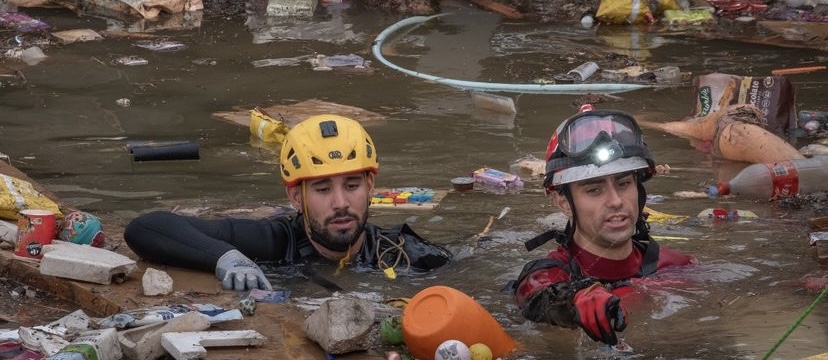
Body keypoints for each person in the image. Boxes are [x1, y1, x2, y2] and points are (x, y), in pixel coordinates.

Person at [124, 114, 453, 291]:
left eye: (352, 185)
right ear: (296, 196)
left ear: (370, 186)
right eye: (322, 189)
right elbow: (146, 227)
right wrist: (224, 257)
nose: (341, 203)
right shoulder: (274, 243)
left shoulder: (401, 253)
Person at [508, 106, 696, 346]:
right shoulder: (546, 276)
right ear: (564, 202)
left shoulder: (678, 267)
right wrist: (573, 303)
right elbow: (539, 299)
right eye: (594, 190)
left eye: (624, 183)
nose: (616, 201)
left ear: (638, 190)